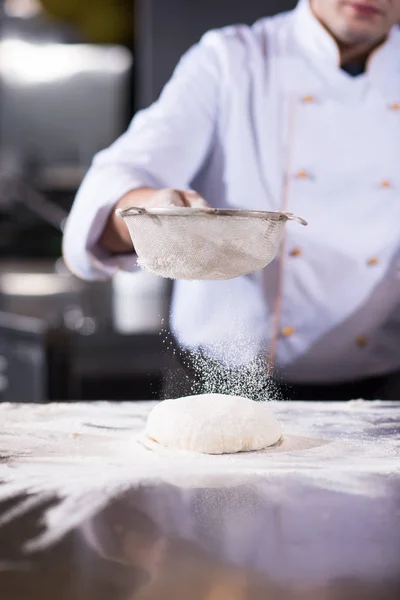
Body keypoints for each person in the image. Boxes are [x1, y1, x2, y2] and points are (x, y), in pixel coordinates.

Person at [63, 0, 400, 400]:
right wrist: (156, 214)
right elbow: (119, 177)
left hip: (378, 389)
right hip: (216, 383)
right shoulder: (232, 59)